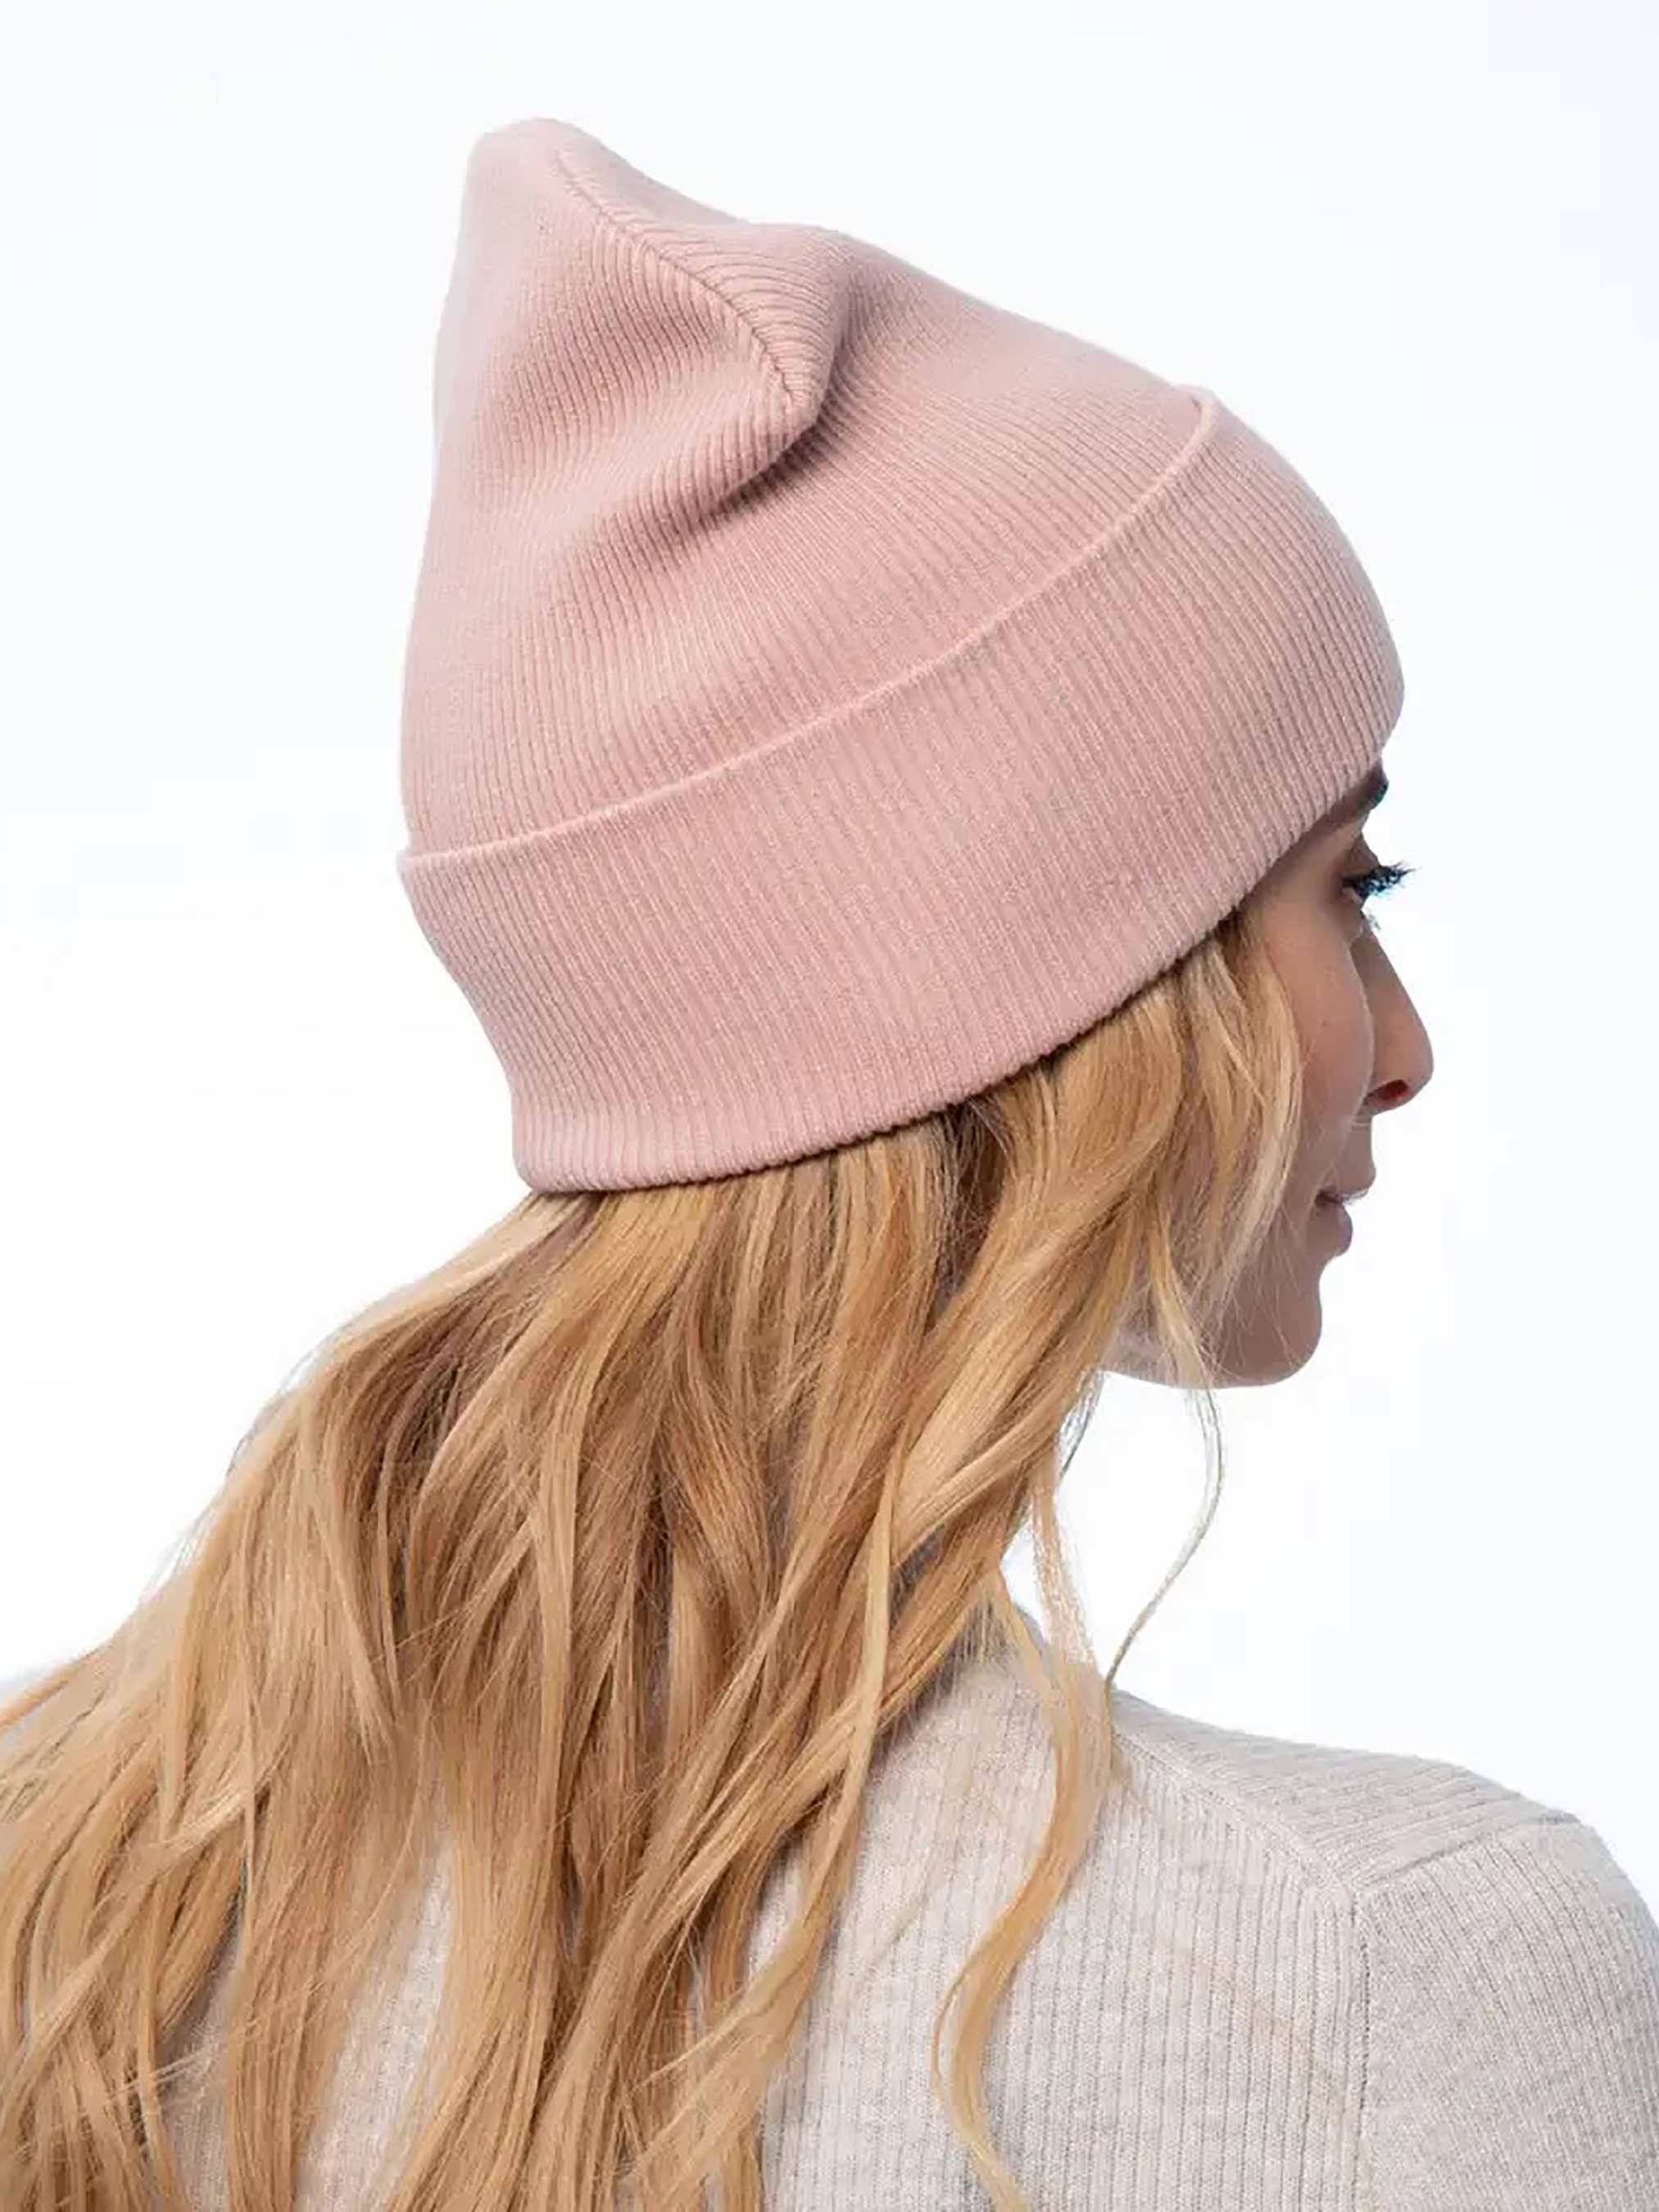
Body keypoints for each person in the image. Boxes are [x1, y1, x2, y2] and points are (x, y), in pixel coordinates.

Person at [2, 114, 1654, 2212]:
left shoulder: (76, 1890)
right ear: (1056, 977)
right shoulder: (1402, 1970)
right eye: (1350, 887)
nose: (1402, 1053)